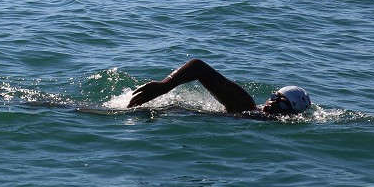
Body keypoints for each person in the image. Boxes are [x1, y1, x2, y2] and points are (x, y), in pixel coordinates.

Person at [128, 59, 311, 117]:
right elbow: (198, 67)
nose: (272, 104)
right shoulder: (246, 106)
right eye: (273, 96)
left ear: (292, 114)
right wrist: (165, 86)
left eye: (283, 105)